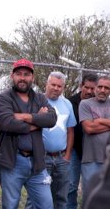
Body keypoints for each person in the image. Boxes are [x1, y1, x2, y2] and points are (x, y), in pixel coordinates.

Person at [0, 58, 57, 209]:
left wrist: (24, 117)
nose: (22, 78)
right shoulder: (4, 98)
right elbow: (7, 123)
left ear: (32, 78)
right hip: (13, 161)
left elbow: (51, 119)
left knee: (46, 205)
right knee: (10, 205)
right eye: (19, 74)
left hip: (37, 162)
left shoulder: (40, 98)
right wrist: (37, 120)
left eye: (26, 74)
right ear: (12, 76)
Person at [26, 71, 76, 209]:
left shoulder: (67, 104)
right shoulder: (36, 101)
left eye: (59, 86)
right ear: (46, 84)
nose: (55, 88)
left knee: (61, 196)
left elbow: (70, 130)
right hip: (41, 158)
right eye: (53, 84)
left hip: (61, 159)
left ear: (63, 88)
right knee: (35, 197)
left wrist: (67, 155)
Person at [66, 73, 98, 209]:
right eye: (87, 87)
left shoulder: (100, 103)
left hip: (93, 151)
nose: (90, 91)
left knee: (91, 186)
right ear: (81, 86)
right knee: (71, 184)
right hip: (74, 149)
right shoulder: (70, 102)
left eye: (93, 88)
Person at [79, 75, 110, 206]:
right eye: (100, 86)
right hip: (90, 159)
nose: (103, 90)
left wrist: (101, 121)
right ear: (95, 88)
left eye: (107, 88)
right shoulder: (85, 104)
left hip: (109, 161)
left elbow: (94, 125)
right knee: (89, 197)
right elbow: (89, 128)